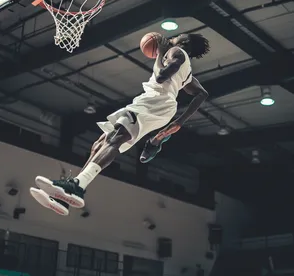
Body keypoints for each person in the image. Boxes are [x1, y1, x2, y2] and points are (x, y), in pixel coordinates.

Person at [30, 33, 210, 215]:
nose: (173, 37)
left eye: (179, 36)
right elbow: (202, 94)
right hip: (154, 102)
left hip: (157, 101)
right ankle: (70, 192)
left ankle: (77, 186)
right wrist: (179, 122)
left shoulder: (176, 51)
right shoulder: (187, 73)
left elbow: (163, 75)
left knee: (116, 138)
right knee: (100, 143)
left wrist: (163, 53)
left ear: (184, 42)